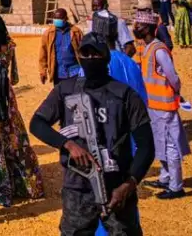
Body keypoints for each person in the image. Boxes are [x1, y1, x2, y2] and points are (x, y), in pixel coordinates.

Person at [30, 33, 154, 235]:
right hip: (78, 188)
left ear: (105, 57)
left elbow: (146, 146)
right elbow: (37, 124)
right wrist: (68, 145)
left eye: (95, 54)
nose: (90, 59)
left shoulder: (125, 95)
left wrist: (128, 185)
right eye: (85, 54)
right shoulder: (66, 90)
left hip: (117, 188)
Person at [0, 12, 45, 208]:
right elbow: (14, 78)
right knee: (14, 140)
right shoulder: (9, 46)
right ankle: (28, 186)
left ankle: (0, 190)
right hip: (7, 99)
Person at [98, 17, 147, 236]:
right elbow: (142, 102)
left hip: (103, 144)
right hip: (128, 143)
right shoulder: (129, 64)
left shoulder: (93, 66)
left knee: (101, 197)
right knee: (126, 196)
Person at [134, 15, 191, 199]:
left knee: (170, 145)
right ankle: (165, 178)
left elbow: (172, 76)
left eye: (140, 25)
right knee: (160, 141)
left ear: (149, 28)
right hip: (153, 105)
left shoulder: (159, 50)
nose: (136, 28)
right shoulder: (146, 48)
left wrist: (176, 92)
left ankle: (176, 187)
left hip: (164, 105)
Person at [40, 8, 83, 86]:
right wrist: (43, 71)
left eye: (59, 18)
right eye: (55, 18)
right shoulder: (48, 34)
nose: (57, 20)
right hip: (58, 73)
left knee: (74, 96)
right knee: (60, 96)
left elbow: (83, 51)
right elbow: (43, 53)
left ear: (66, 19)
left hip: (75, 71)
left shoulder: (76, 32)